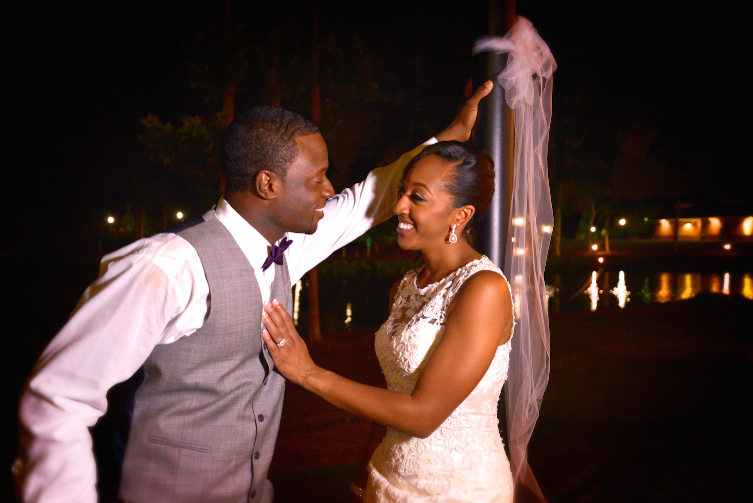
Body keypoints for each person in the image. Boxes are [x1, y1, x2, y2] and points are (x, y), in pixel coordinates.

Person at [13, 83, 493, 503]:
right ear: (267, 184)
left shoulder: (285, 248)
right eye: (316, 179)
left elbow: (365, 200)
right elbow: (58, 398)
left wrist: (446, 140)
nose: (329, 190)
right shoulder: (168, 265)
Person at [261, 140, 517, 502]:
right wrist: (363, 480)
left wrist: (308, 373)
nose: (399, 207)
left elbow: (423, 416)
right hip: (386, 480)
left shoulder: (484, 289)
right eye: (402, 192)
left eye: (418, 197)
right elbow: (390, 397)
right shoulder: (404, 287)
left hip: (457, 490)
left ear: (461, 215)